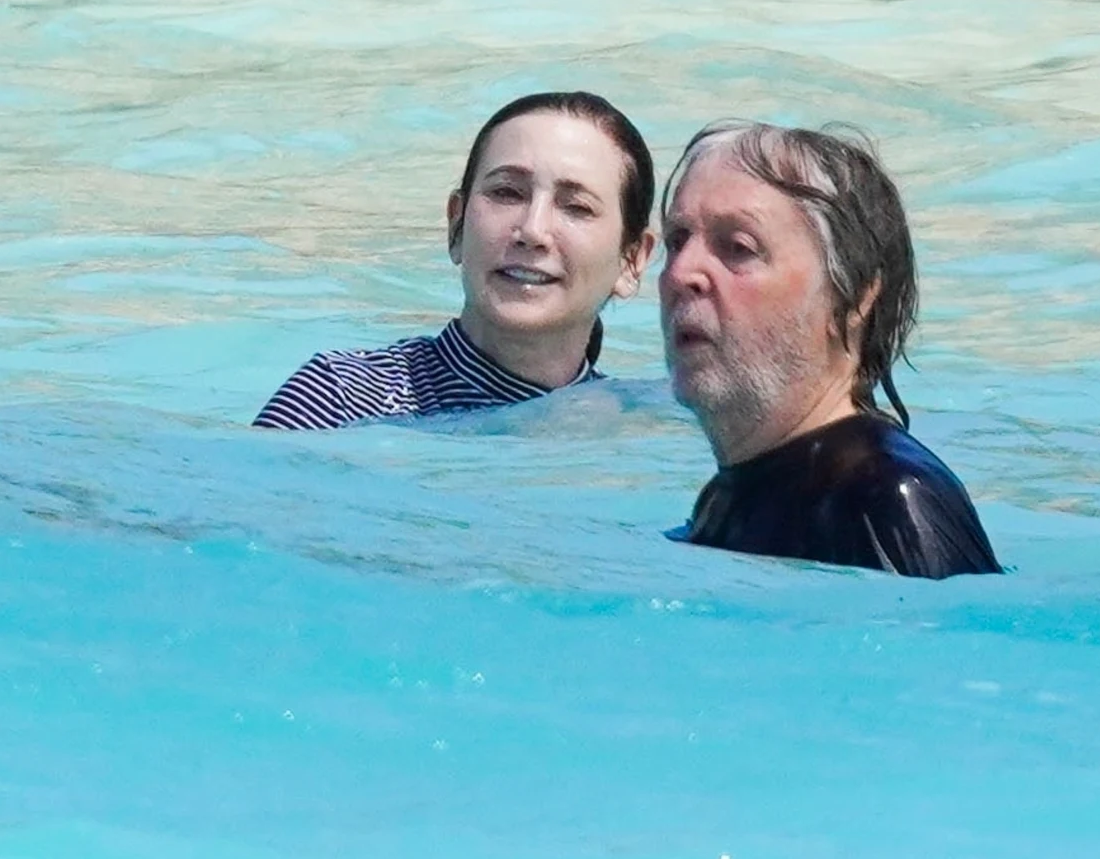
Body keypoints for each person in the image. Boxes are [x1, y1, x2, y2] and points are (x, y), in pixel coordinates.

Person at [658, 120, 1002, 579]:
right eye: (678, 240)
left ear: (854, 296)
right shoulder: (727, 498)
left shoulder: (886, 498)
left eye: (738, 248)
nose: (681, 273)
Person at [253, 91, 657, 430]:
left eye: (576, 207)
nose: (533, 230)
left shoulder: (640, 433)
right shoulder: (341, 402)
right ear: (456, 225)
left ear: (631, 261)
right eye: (507, 193)